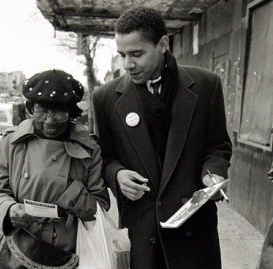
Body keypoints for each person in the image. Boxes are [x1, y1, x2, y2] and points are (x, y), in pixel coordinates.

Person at [93, 6, 232, 269]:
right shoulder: (106, 98)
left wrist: (213, 174)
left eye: (137, 54)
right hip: (142, 232)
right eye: (122, 55)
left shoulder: (206, 85)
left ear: (163, 45)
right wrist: (118, 175)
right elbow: (106, 157)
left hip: (193, 231)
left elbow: (218, 146)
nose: (128, 65)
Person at [0, 69, 110, 269]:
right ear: (30, 108)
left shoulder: (90, 149)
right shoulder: (10, 143)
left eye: (59, 112)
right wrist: (9, 210)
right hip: (20, 248)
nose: (50, 121)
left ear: (71, 113)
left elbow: (101, 206)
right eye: (42, 110)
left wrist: (73, 195)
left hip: (68, 252)